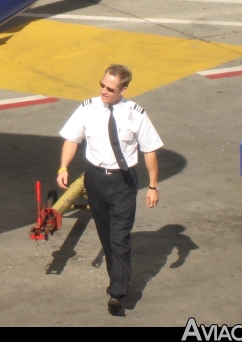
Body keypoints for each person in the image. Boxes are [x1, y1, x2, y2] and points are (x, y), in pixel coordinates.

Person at [56, 63, 162, 315]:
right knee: (106, 234)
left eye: (110, 89)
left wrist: (153, 186)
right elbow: (72, 138)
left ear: (123, 90)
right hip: (94, 179)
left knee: (119, 237)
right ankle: (117, 279)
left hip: (122, 182)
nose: (104, 91)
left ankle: (118, 292)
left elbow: (149, 150)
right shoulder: (87, 109)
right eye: (102, 85)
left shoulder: (136, 114)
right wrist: (63, 167)